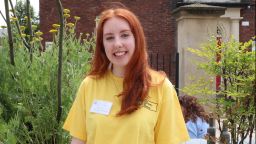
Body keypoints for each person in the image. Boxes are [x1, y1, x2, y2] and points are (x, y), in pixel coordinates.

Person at [63, 7, 189, 144]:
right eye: (109, 38)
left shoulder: (161, 87)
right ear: (102, 45)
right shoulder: (89, 85)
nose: (117, 44)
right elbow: (78, 140)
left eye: (125, 35)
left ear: (137, 38)